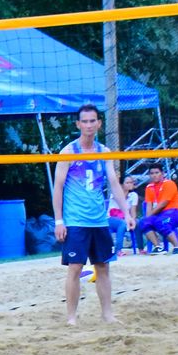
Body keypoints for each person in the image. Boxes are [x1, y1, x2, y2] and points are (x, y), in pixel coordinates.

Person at [52, 104, 134, 325]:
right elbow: (58, 187)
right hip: (76, 220)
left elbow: (114, 184)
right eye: (85, 121)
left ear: (99, 124)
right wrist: (59, 220)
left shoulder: (104, 152)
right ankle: (71, 317)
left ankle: (107, 314)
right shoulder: (68, 152)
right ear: (78, 124)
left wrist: (127, 213)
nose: (89, 125)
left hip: (98, 220)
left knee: (103, 267)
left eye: (92, 121)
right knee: (75, 268)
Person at [139, 164, 178, 253]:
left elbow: (163, 204)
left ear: (162, 173)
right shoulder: (149, 187)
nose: (154, 175)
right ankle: (158, 247)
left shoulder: (169, 184)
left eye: (157, 173)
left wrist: (150, 214)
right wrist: (147, 217)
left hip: (175, 212)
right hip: (159, 214)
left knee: (161, 221)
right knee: (143, 222)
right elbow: (149, 204)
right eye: (152, 173)